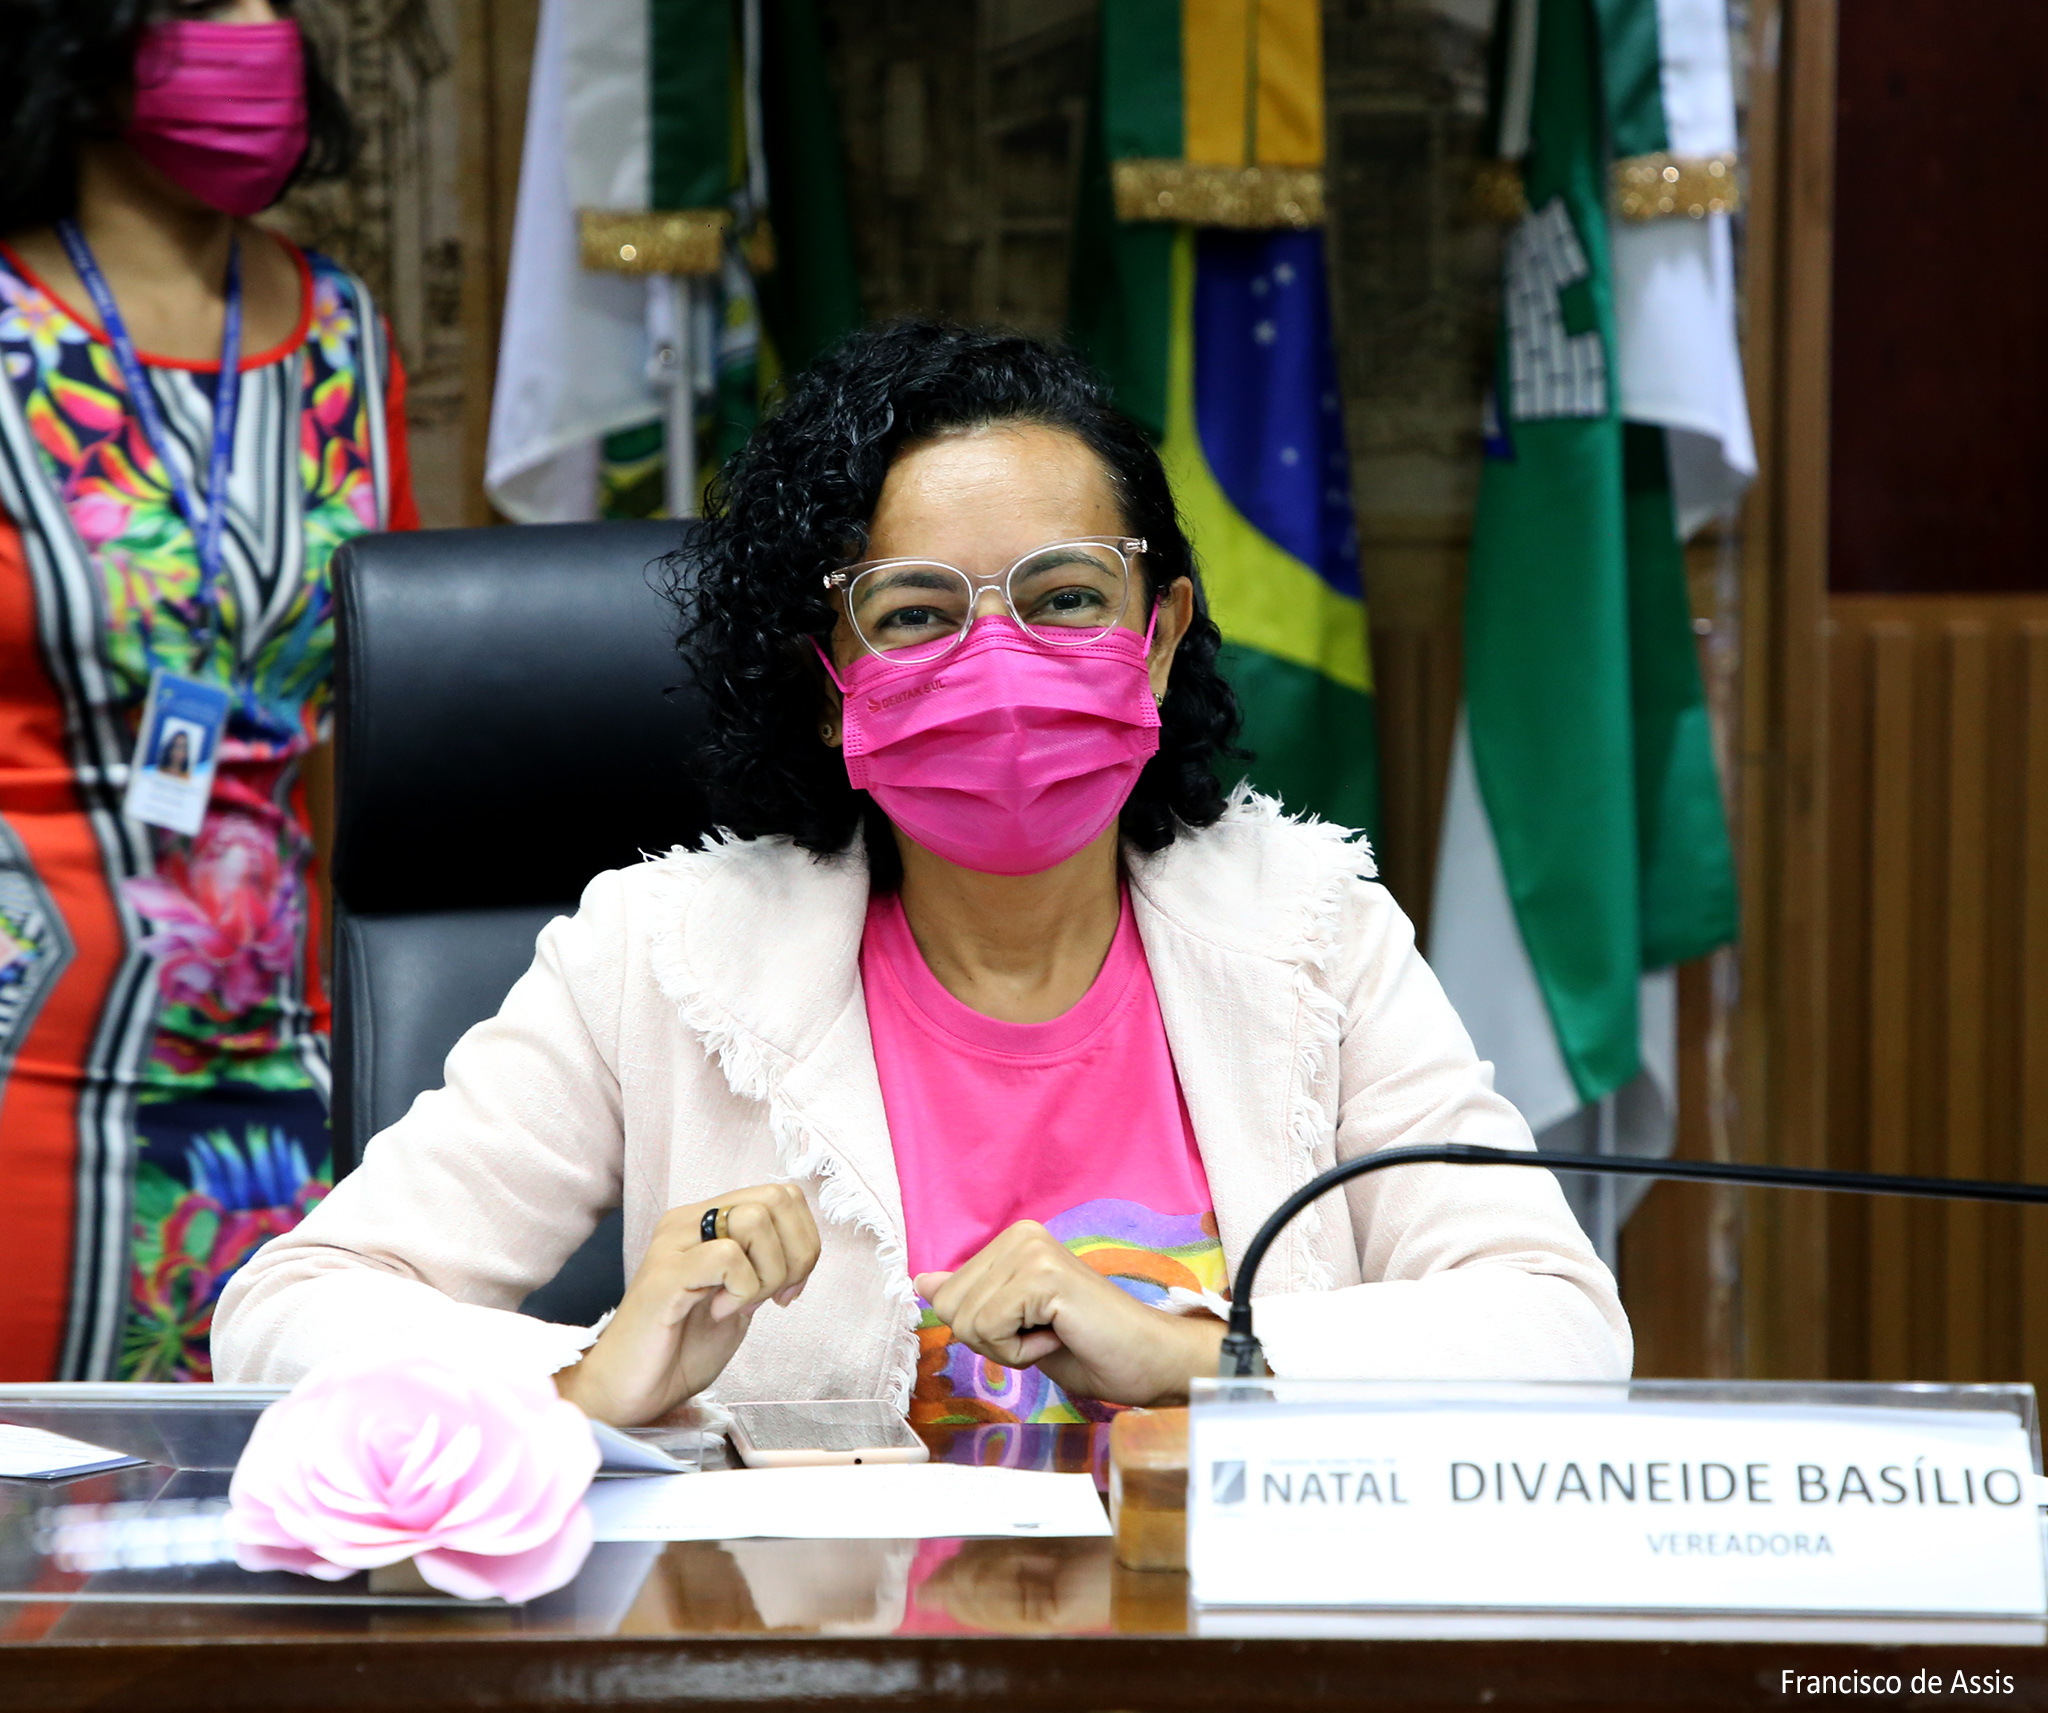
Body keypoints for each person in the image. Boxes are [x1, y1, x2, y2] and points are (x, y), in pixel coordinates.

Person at [214, 324, 1626, 1423]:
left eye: (1065, 598)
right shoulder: (656, 954)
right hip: (811, 1649)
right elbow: (287, 1311)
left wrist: (1202, 1354)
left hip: (1223, 1643)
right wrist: (588, 1376)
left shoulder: (1311, 929)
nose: (998, 662)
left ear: (1156, 636)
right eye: (914, 614)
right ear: (828, 680)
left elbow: (1562, 1325)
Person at [0, 0, 420, 1383]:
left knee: (288, 1494)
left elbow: (381, 716)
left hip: (299, 1070)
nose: (256, 25)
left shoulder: (343, 331)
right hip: (32, 1078)